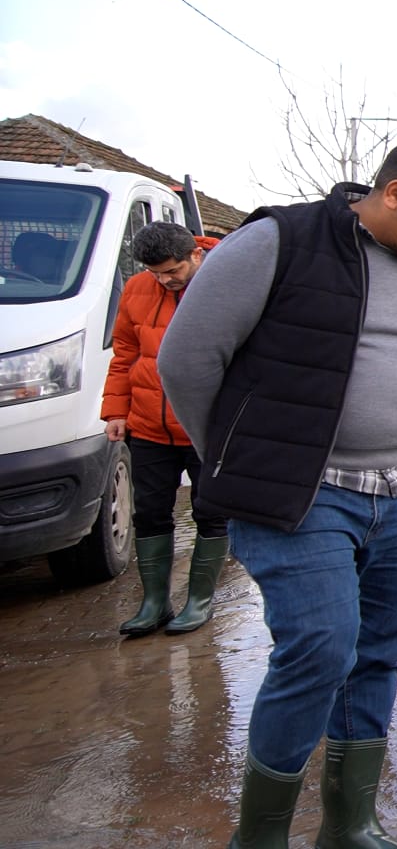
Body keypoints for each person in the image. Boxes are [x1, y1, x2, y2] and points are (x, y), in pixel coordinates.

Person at [157, 138, 397, 847]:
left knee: (378, 651)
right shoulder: (280, 240)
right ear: (393, 191)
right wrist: (241, 462)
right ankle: (262, 837)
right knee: (320, 649)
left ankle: (348, 825)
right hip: (305, 495)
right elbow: (185, 359)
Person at [101, 220, 225, 637]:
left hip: (206, 427)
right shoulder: (137, 289)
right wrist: (116, 411)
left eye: (172, 271)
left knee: (211, 512)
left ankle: (199, 600)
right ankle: (154, 603)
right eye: (156, 273)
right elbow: (124, 354)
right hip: (149, 426)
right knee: (150, 513)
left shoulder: (226, 281)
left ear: (195, 254)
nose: (164, 280)